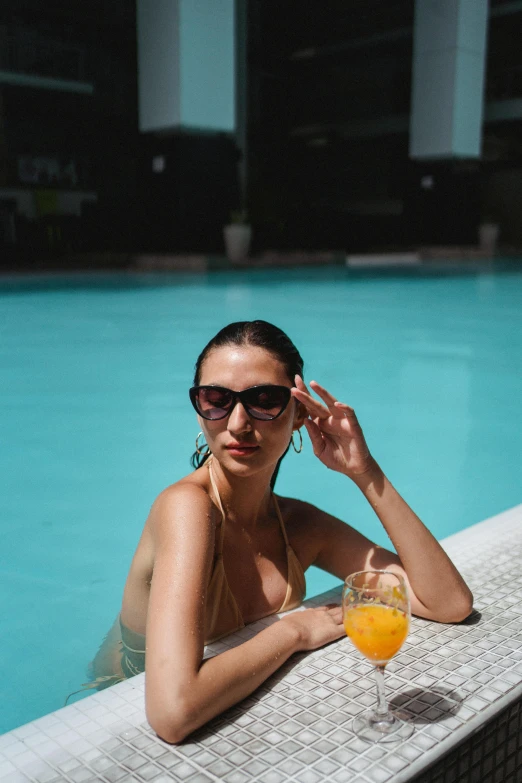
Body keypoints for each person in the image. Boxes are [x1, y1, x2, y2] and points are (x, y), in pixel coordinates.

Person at [89, 320, 473, 743]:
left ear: (299, 414)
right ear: (198, 409)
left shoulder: (299, 525)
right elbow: (173, 712)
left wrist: (365, 473)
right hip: (113, 703)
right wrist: (295, 631)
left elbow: (448, 603)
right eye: (215, 399)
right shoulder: (187, 508)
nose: (236, 423)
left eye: (264, 400)